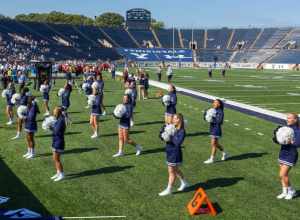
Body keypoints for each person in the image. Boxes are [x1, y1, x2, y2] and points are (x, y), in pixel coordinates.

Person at [159, 113, 188, 196]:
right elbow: (162, 138)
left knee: (171, 171)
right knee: (175, 170)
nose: (173, 120)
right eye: (173, 118)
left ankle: (169, 189)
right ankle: (184, 182)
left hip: (175, 153)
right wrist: (163, 132)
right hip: (169, 151)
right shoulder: (172, 127)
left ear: (179, 120)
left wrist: (170, 136)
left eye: (175, 118)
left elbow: (178, 143)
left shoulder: (182, 131)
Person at [277, 113, 300, 200]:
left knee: (282, 174)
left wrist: (289, 141)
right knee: (283, 175)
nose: (287, 120)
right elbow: (280, 140)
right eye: (287, 118)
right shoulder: (286, 128)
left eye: (289, 118)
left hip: (291, 154)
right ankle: (284, 192)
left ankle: (291, 191)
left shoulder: (298, 131)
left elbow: (298, 144)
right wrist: (277, 138)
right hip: (282, 152)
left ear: (295, 120)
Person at [204, 99, 228, 164]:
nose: (214, 103)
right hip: (212, 128)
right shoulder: (212, 110)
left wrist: (212, 118)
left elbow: (219, 121)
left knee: (213, 144)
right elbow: (206, 119)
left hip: (217, 129)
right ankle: (224, 152)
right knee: (216, 144)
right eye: (214, 102)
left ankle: (212, 158)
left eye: (216, 103)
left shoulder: (220, 112)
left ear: (219, 104)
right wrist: (206, 114)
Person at [50, 106, 66, 182]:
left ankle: (62, 174)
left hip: (59, 142)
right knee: (54, 158)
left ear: (58, 113)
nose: (53, 114)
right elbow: (55, 130)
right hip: (56, 140)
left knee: (57, 159)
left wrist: (50, 127)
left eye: (54, 112)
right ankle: (58, 172)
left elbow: (56, 131)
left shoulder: (61, 121)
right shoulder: (59, 119)